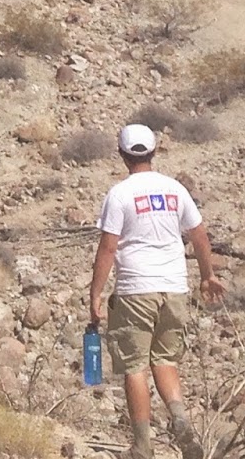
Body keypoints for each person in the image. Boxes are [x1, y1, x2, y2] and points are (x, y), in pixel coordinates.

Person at [89, 124, 222, 459]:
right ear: (154, 152)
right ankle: (179, 416)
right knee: (164, 359)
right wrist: (207, 276)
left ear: (121, 154)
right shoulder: (175, 189)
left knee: (134, 365)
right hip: (174, 286)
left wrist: (96, 294)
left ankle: (142, 446)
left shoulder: (119, 194)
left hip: (135, 288)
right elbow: (200, 235)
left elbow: (107, 248)